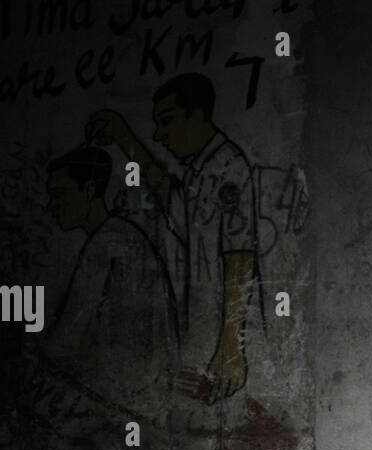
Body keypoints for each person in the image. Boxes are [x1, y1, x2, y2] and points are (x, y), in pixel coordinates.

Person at [86, 73, 257, 403]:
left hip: (217, 345)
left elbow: (240, 258)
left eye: (167, 121)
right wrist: (124, 136)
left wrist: (231, 346)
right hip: (198, 338)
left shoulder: (228, 167)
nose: (160, 134)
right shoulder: (202, 169)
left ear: (197, 115)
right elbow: (170, 199)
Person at [40, 146, 180, 420]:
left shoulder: (106, 243)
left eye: (59, 194)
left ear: (90, 189)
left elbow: (65, 341)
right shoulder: (124, 234)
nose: (51, 205)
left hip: (121, 398)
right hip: (149, 391)